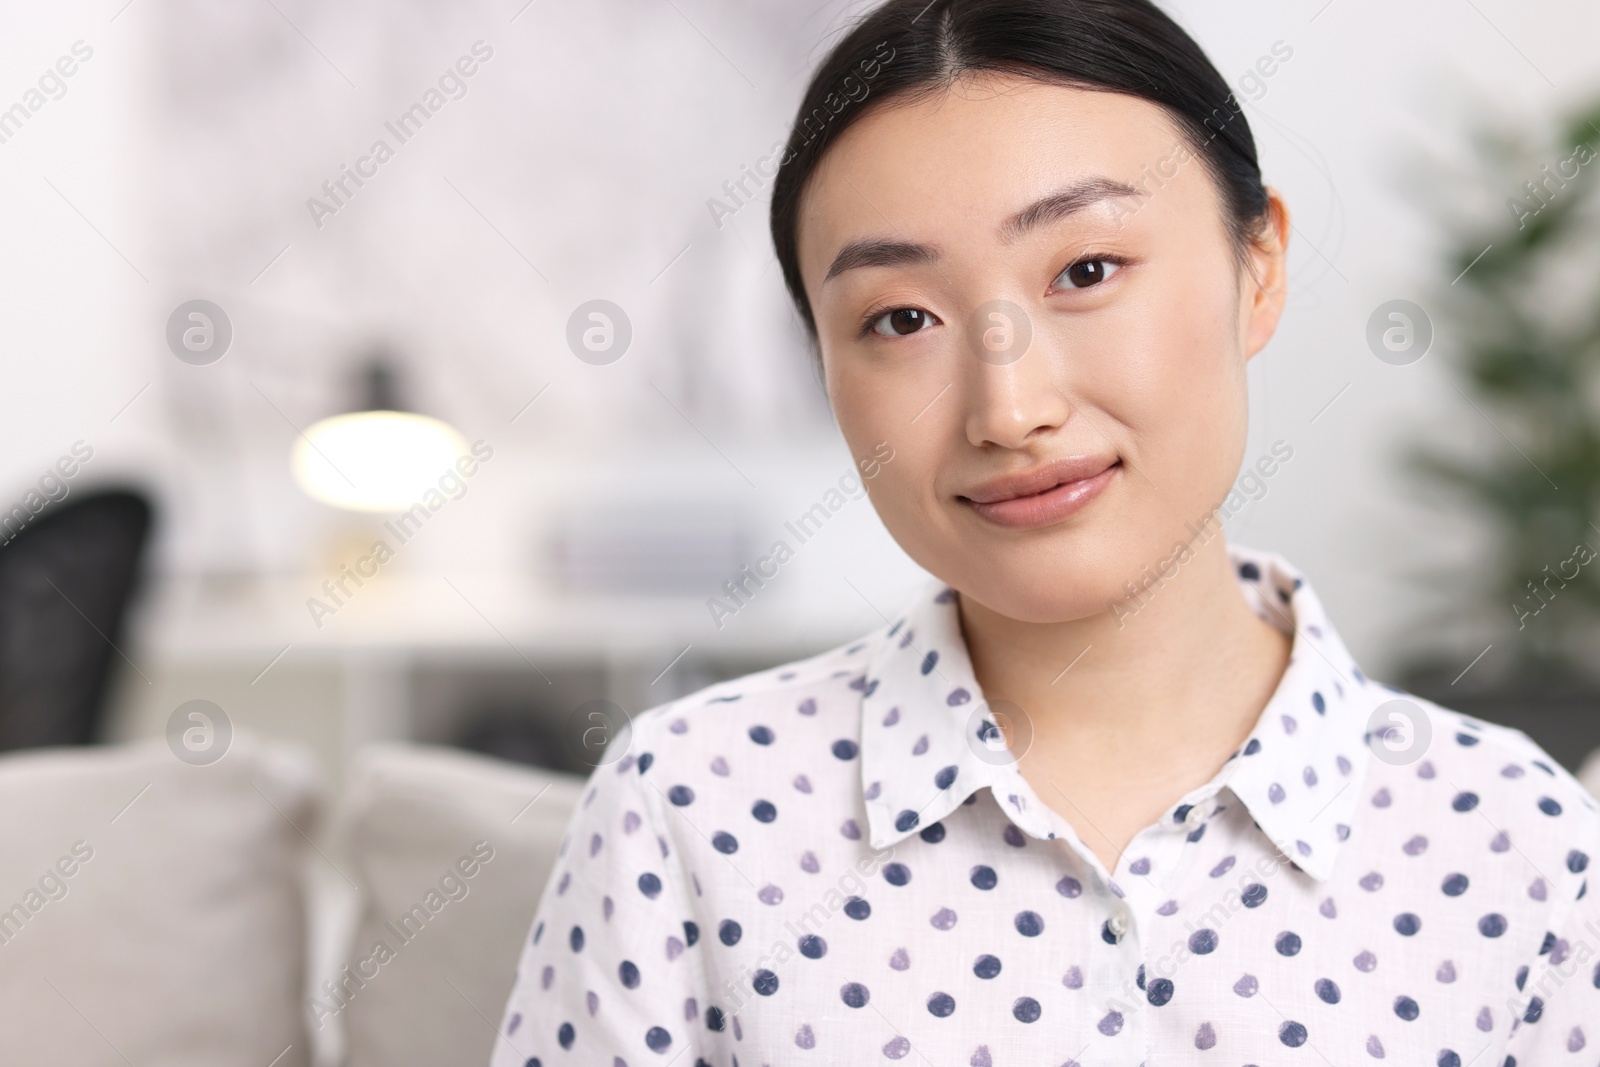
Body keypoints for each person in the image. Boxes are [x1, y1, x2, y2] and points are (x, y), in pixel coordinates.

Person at [491, 1, 1600, 1063]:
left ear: (1255, 266)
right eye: (900, 319)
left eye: (1085, 270)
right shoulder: (685, 805)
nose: (1007, 407)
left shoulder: (1518, 841)